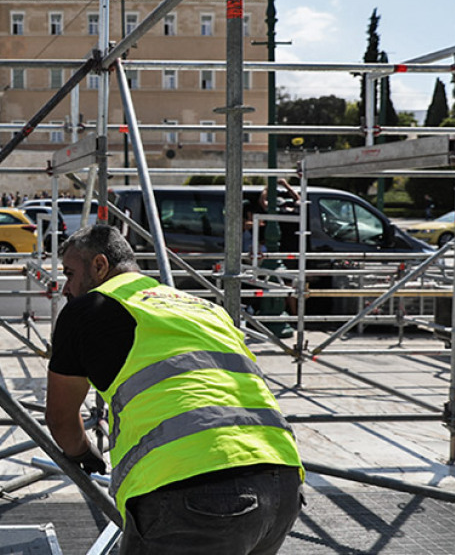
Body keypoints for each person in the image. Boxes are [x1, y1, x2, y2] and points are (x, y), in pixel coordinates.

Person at [46, 224, 302, 554]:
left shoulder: (87, 310)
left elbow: (61, 418)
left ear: (99, 265)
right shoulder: (202, 307)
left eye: (69, 273)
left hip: (192, 491)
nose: (65, 288)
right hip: (281, 482)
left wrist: (81, 451)